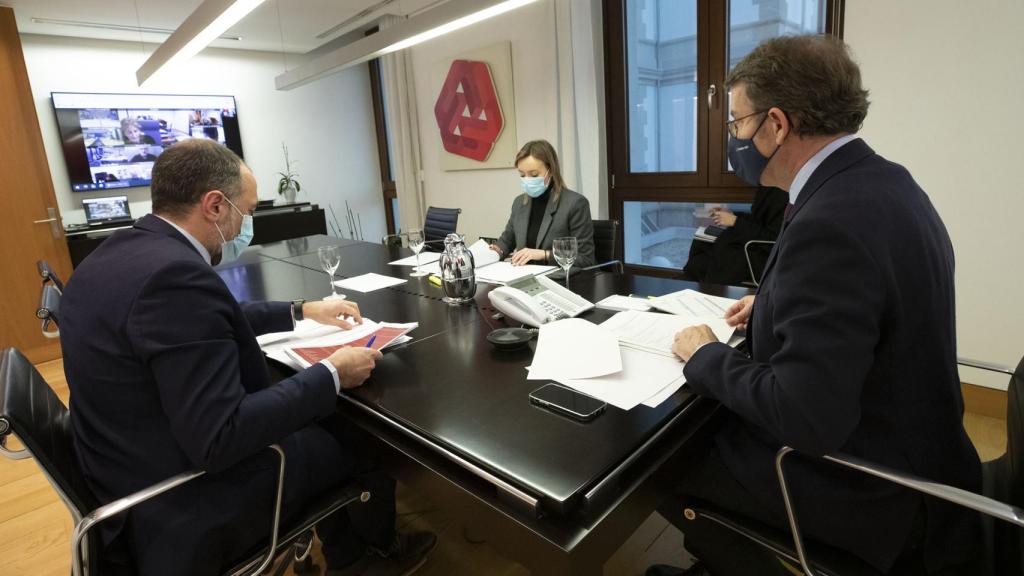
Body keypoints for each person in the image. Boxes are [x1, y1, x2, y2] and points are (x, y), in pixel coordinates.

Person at [652, 35, 981, 576]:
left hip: (869, 491)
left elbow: (804, 418)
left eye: (736, 123)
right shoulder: (885, 182)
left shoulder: (830, 221)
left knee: (661, 462)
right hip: (923, 459)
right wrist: (775, 301)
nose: (732, 137)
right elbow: (874, 304)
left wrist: (706, 354)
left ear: (776, 124)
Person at [60, 139, 436, 575]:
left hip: (124, 469)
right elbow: (221, 438)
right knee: (360, 439)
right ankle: (369, 559)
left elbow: (204, 320)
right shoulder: (174, 277)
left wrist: (299, 311)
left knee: (306, 407)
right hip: (181, 501)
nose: (247, 225)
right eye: (248, 211)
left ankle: (349, 549)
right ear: (215, 206)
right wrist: (331, 372)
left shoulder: (121, 252)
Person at [489, 140, 596, 269]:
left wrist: (544, 254)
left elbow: (585, 259)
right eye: (522, 175)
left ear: (550, 171)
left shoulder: (575, 204)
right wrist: (495, 251)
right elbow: (506, 241)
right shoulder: (519, 203)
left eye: (534, 175)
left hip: (560, 281)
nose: (527, 180)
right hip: (525, 279)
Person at [681, 186, 788, 285]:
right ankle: (688, 289)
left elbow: (773, 239)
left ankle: (712, 292)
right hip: (748, 244)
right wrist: (732, 215)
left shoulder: (783, 194)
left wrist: (735, 221)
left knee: (704, 261)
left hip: (759, 256)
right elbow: (758, 221)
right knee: (700, 245)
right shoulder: (767, 187)